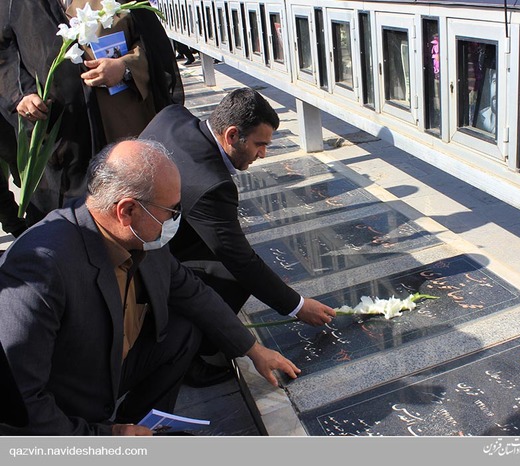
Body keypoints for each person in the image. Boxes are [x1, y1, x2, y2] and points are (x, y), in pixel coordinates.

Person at [0, 139, 300, 435]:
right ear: (127, 210)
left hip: (109, 364)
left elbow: (192, 293)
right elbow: (20, 404)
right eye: (171, 210)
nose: (175, 220)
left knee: (183, 331)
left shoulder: (137, 235)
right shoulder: (40, 270)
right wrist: (104, 438)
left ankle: (144, 427)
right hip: (66, 407)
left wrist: (253, 349)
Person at [140, 88, 336, 386]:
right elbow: (239, 260)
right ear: (232, 135)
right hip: (143, 263)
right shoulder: (211, 184)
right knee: (231, 276)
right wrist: (297, 306)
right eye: (259, 144)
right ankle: (183, 355)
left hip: (146, 234)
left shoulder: (173, 116)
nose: (263, 154)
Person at [0, 0, 183, 226]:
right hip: (62, 139)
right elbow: (5, 52)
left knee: (134, 210)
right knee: (70, 224)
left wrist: (124, 67)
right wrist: (21, 94)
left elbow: (153, 45)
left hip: (121, 124)